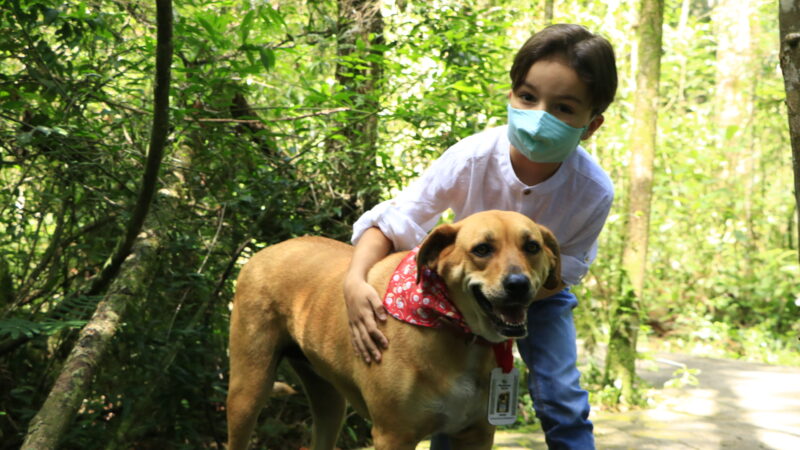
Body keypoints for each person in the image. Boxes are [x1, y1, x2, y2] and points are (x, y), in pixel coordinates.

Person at [343, 23, 617, 449]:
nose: (541, 115)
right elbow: (396, 221)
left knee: (562, 399)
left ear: (591, 124)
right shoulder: (471, 158)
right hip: (460, 290)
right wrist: (355, 280)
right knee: (453, 398)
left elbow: (566, 270)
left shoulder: (593, 191)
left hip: (541, 293)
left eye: (564, 107)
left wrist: (508, 310)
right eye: (528, 97)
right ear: (511, 96)